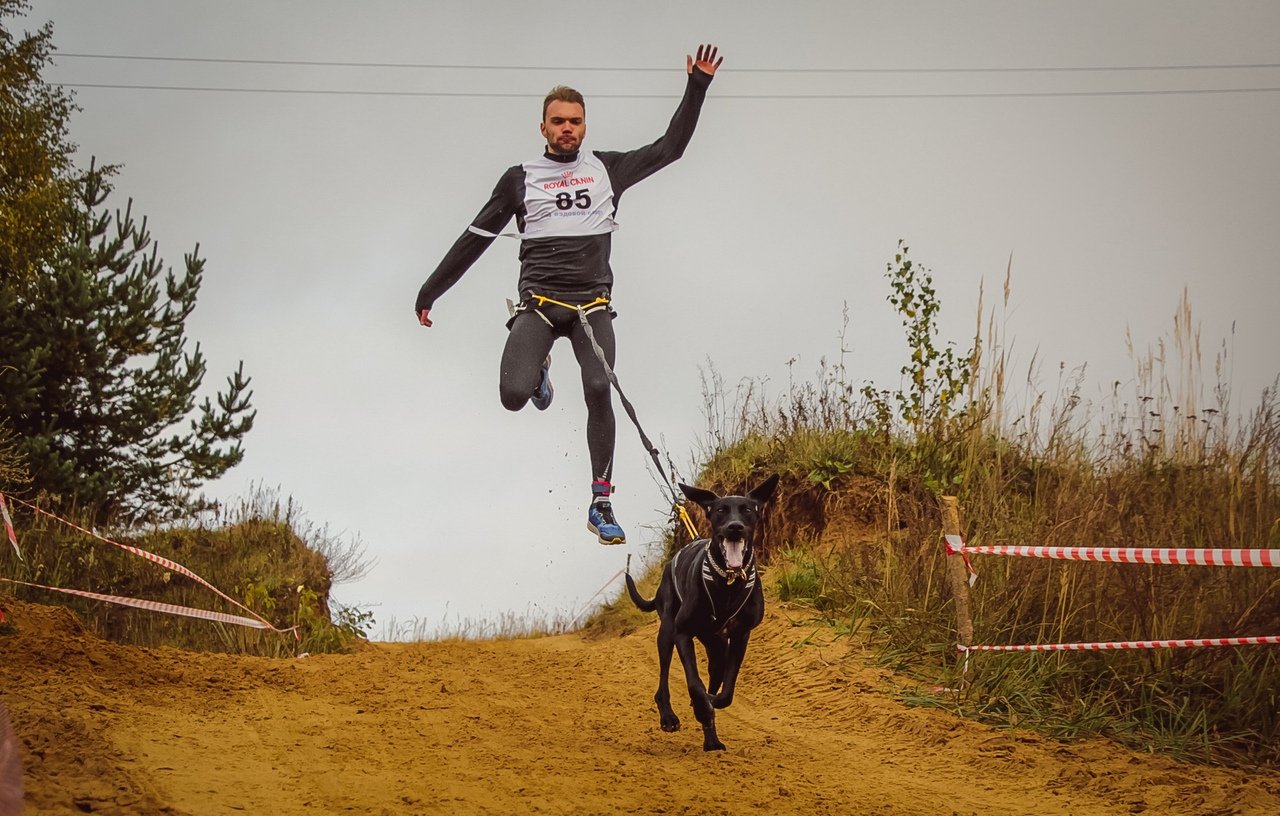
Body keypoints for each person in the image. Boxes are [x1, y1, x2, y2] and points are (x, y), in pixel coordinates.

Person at [415, 44, 723, 545]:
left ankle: (601, 501)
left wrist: (697, 87)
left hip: (591, 307)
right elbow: (476, 237)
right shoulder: (519, 180)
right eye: (557, 122)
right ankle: (538, 372)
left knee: (600, 386)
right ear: (543, 128)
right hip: (539, 304)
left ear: (584, 126)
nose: (566, 129)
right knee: (513, 397)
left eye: (575, 122)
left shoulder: (607, 170)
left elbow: (671, 148)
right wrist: (431, 291)